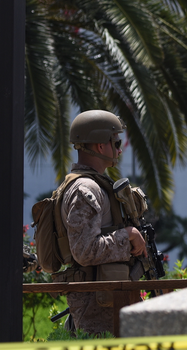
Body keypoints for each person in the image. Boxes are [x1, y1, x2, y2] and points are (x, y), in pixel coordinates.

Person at [56, 110, 147, 335]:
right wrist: (129, 235)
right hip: (96, 304)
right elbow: (84, 250)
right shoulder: (85, 190)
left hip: (105, 299)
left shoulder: (95, 186)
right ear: (99, 146)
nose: (119, 149)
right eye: (115, 142)